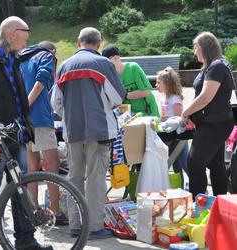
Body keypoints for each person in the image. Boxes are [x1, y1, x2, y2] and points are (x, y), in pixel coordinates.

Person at [0, 16, 53, 250]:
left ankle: (25, 240)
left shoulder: (11, 58)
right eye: (24, 39)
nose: (25, 44)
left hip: (15, 136)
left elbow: (17, 98)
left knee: (20, 188)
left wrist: (24, 125)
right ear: (12, 34)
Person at [51, 27, 126, 239]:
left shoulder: (65, 65)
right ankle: (93, 226)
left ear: (78, 42)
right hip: (99, 129)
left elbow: (55, 102)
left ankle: (75, 225)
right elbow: (118, 97)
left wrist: (70, 116)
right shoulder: (104, 64)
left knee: (74, 176)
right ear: (99, 44)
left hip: (72, 131)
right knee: (95, 178)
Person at [19, 41, 67, 225]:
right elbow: (40, 84)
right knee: (52, 163)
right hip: (39, 118)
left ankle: (34, 210)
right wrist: (26, 106)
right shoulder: (46, 57)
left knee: (32, 166)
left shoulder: (22, 57)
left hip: (23, 121)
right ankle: (56, 212)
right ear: (52, 51)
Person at [182, 31, 235, 200]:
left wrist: (186, 112)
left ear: (204, 47)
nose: (194, 51)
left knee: (194, 164)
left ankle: (199, 206)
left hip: (214, 125)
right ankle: (220, 204)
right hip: (215, 123)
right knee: (216, 165)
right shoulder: (215, 65)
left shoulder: (216, 66)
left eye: (195, 47)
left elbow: (205, 97)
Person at [101, 44, 159, 117]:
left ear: (116, 57)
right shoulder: (111, 76)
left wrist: (125, 95)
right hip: (131, 117)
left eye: (107, 61)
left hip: (149, 114)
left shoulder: (133, 67)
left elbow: (145, 92)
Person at [156, 66, 189, 187]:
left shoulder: (175, 99)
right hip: (168, 136)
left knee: (186, 164)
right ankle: (178, 188)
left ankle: (199, 187)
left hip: (178, 136)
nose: (156, 85)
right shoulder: (163, 98)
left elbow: (177, 118)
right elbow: (164, 117)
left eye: (159, 82)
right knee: (176, 165)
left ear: (168, 84)